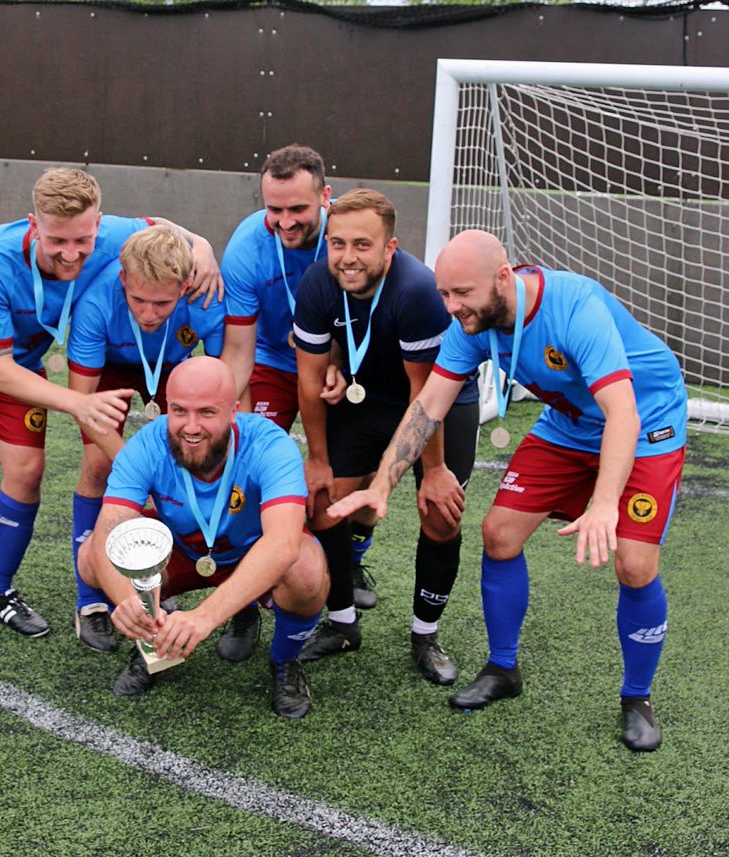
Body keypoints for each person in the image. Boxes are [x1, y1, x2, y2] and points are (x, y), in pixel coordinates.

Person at [329, 229, 688, 752]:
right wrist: (382, 484)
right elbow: (429, 406)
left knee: (634, 565)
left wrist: (604, 504)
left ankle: (637, 698)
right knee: (498, 534)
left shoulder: (575, 307)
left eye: (462, 294)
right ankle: (503, 669)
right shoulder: (471, 323)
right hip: (568, 423)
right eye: (444, 295)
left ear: (504, 277)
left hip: (646, 421)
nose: (452, 307)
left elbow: (622, 413)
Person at [0, 167, 220, 647]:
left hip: (21, 360)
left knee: (27, 470)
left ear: (99, 224)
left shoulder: (113, 233)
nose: (71, 253)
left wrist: (204, 248)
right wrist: (79, 405)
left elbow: (168, 230)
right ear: (34, 224)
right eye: (57, 241)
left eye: (83, 240)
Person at [292, 188, 480, 686]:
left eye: (361, 245)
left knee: (440, 513)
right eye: (337, 244)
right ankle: (342, 624)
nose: (348, 257)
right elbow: (309, 382)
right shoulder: (316, 283)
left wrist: (433, 471)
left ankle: (425, 634)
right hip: (367, 395)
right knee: (323, 500)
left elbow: (427, 398)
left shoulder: (417, 290)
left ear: (389, 248)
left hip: (440, 402)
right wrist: (317, 458)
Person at [78, 356, 329, 719]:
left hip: (251, 556)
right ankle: (154, 639)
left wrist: (205, 617)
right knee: (91, 559)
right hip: (181, 550)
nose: (191, 427)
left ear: (233, 411)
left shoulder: (270, 445)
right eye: (179, 410)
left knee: (307, 570)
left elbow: (283, 544)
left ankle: (285, 661)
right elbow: (108, 531)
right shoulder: (148, 443)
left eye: (207, 412)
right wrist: (126, 600)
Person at [219, 144, 378, 650]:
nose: (285, 222)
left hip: (343, 362)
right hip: (269, 360)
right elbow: (239, 349)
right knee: (242, 476)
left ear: (325, 198)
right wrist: (233, 421)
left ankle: (349, 564)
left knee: (348, 479)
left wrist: (337, 361)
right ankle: (242, 604)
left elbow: (370, 319)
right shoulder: (247, 247)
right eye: (274, 209)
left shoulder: (350, 236)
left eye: (298, 210)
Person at [64, 225, 225, 651]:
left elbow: (225, 383)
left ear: (185, 286)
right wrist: (135, 466)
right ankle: (90, 603)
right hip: (112, 367)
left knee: (207, 456)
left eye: (162, 303)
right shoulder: (97, 302)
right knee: (98, 466)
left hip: (173, 366)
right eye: (138, 301)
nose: (149, 314)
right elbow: (82, 404)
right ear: (123, 282)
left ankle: (233, 594)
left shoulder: (203, 297)